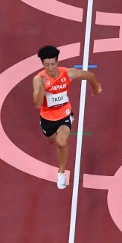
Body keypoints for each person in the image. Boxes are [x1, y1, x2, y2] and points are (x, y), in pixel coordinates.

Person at [32, 45, 102, 189]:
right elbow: (37, 104)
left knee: (62, 142)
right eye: (46, 65)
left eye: (52, 64)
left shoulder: (67, 73)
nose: (50, 68)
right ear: (42, 64)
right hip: (47, 118)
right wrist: (43, 89)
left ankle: (61, 172)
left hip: (64, 114)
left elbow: (89, 75)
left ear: (57, 62)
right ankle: (53, 137)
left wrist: (96, 89)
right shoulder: (38, 79)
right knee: (51, 141)